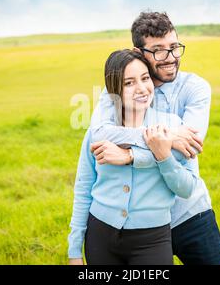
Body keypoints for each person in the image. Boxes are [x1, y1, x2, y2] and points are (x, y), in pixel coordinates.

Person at [89, 11, 220, 265]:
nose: (170, 57)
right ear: (138, 51)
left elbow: (186, 149)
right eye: (159, 50)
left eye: (174, 47)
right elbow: (99, 134)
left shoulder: (195, 88)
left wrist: (130, 156)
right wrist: (169, 136)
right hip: (138, 224)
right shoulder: (116, 88)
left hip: (189, 213)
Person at [68, 49, 200, 265]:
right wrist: (74, 251)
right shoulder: (99, 131)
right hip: (100, 236)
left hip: (152, 240)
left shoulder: (175, 127)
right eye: (129, 83)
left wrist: (163, 155)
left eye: (145, 78)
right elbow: (83, 190)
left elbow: (186, 188)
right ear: (114, 91)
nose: (141, 89)